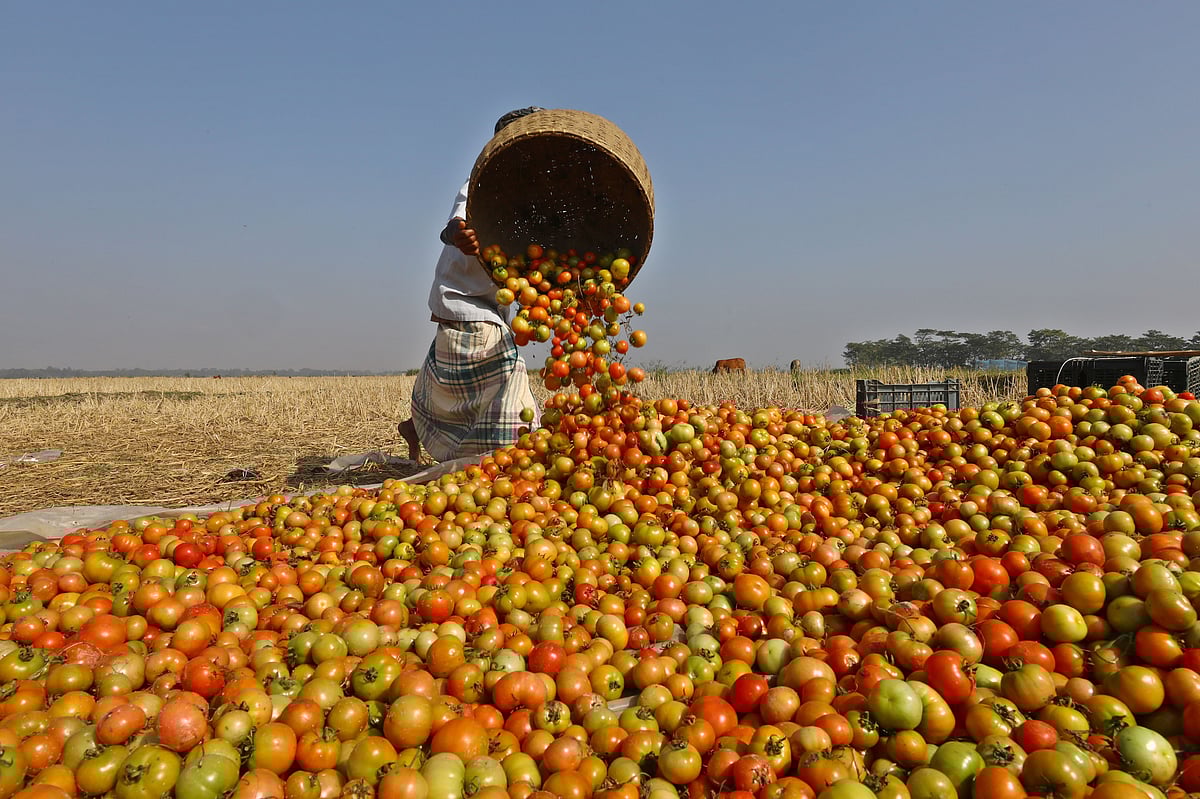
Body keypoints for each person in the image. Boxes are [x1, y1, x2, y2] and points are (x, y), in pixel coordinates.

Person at [398, 108, 545, 463]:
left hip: (488, 305)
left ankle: (418, 425)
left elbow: (533, 267)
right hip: (464, 300)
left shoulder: (532, 204)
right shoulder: (481, 184)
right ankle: (514, 453)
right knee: (508, 377)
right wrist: (458, 235)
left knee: (456, 381)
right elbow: (454, 224)